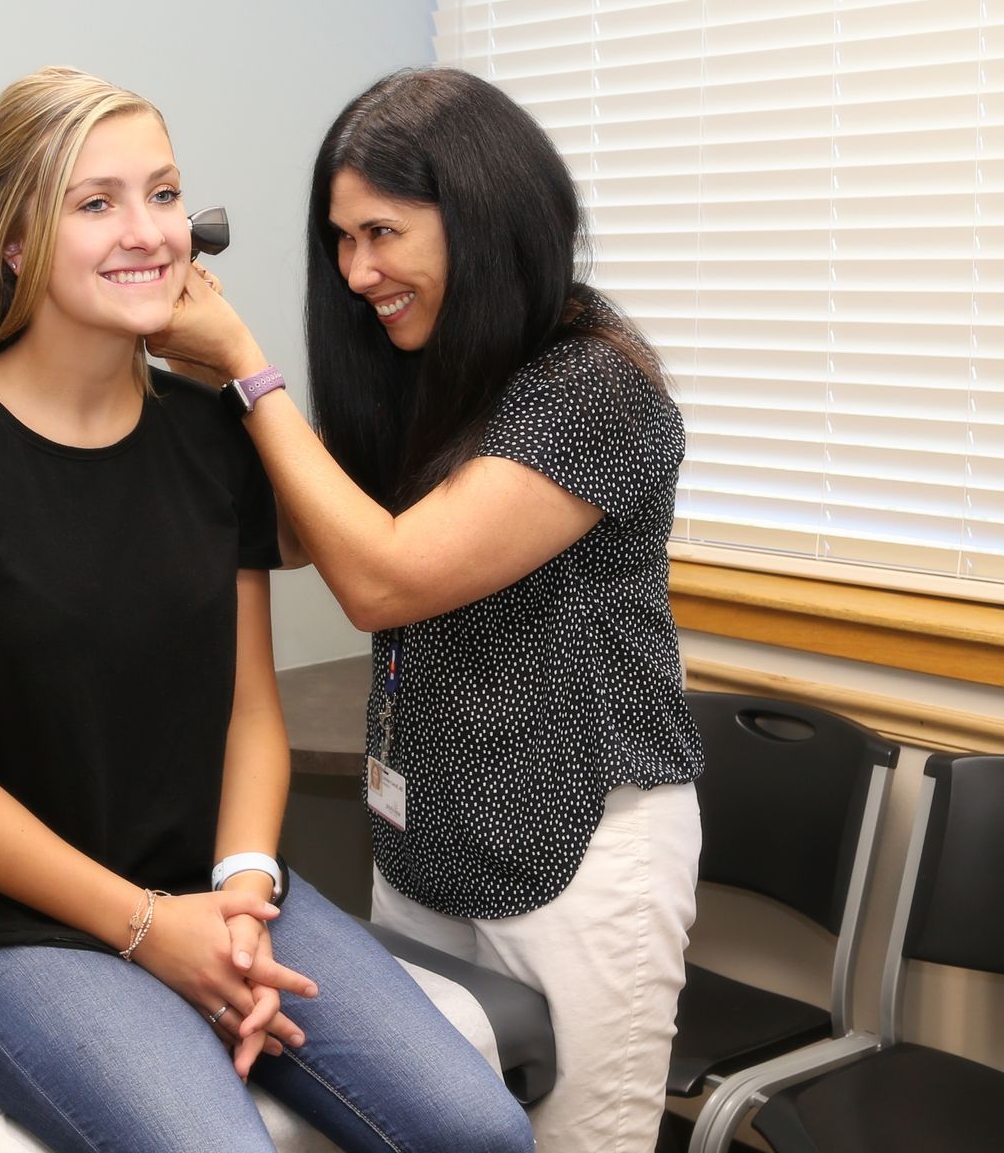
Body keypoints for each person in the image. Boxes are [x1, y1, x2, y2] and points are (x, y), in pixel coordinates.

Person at [0, 66, 533, 1153]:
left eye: (164, 194)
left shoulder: (212, 434)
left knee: (478, 1129)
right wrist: (152, 928)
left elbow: (246, 709)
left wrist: (244, 889)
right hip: (6, 927)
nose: (149, 231)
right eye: (96, 202)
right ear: (17, 241)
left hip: (211, 884)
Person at [147, 66, 704, 1153]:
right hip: (429, 834)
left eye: (383, 234)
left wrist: (249, 369)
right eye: (342, 241)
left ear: (484, 218)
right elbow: (312, 533)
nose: (358, 272)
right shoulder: (431, 368)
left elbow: (383, 578)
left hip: (579, 851)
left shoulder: (593, 389)